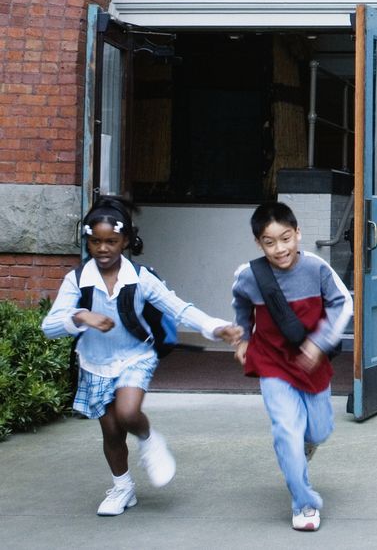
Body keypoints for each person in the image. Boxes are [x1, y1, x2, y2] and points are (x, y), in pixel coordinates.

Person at [41, 195, 242, 516]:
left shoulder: (141, 277)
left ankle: (149, 440)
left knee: (128, 412)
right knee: (111, 431)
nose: (103, 248)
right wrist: (81, 316)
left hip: (136, 356)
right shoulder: (77, 279)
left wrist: (216, 327)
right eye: (96, 242)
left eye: (112, 241)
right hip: (94, 363)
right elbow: (48, 326)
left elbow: (179, 309)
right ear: (88, 242)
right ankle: (122, 488)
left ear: (126, 241)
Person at [230, 202, 353, 531]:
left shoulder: (317, 269)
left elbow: (344, 303)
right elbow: (240, 303)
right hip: (272, 362)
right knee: (287, 430)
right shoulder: (249, 275)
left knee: (319, 430)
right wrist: (242, 338)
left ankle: (303, 447)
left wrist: (319, 342)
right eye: (269, 242)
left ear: (298, 233)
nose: (279, 248)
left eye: (285, 238)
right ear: (259, 243)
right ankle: (304, 503)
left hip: (312, 363)